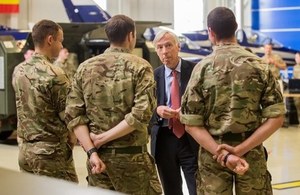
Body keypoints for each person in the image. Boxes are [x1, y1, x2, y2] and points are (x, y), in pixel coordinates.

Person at [180, 7, 285, 194]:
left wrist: (225, 154)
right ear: (236, 28)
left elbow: (191, 124)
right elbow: (276, 118)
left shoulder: (201, 69)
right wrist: (240, 149)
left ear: (210, 32)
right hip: (251, 152)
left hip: (213, 154)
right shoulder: (260, 66)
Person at [65, 14, 162, 194]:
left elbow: (74, 115)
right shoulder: (140, 67)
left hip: (97, 160)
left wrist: (92, 151)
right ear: (131, 36)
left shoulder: (85, 68)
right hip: (132, 161)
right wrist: (104, 138)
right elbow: (141, 114)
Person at [12, 19, 78, 182]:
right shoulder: (56, 74)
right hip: (51, 155)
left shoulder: (18, 70)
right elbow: (69, 116)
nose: (62, 46)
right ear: (50, 40)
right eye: (60, 41)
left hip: (25, 151)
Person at [149, 29, 198, 195]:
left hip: (191, 138)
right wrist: (157, 111)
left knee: (198, 189)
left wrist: (188, 110)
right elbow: (142, 111)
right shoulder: (151, 77)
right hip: (164, 140)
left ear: (178, 46)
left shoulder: (195, 71)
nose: (165, 51)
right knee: (171, 190)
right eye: (160, 47)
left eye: (168, 45)